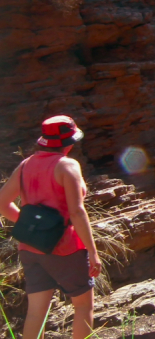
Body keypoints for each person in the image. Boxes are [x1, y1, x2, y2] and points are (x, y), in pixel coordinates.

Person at [0, 116, 102, 339]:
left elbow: (2, 202)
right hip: (66, 248)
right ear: (68, 142)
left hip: (30, 248)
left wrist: (32, 229)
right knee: (83, 306)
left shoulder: (26, 165)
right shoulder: (67, 166)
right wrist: (93, 252)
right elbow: (76, 212)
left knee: (36, 313)